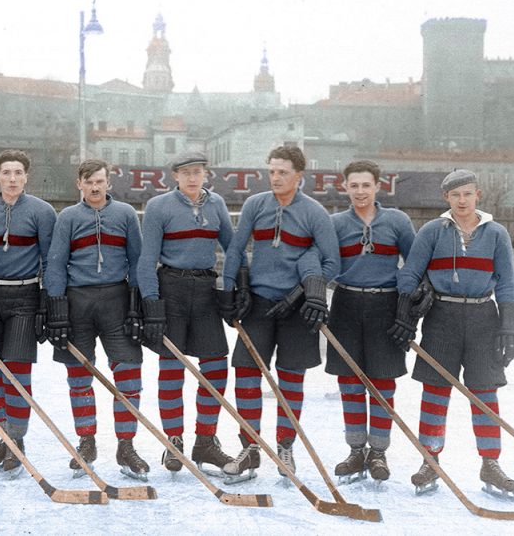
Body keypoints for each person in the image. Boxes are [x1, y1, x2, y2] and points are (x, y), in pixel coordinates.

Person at [391, 169, 514, 498]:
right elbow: (410, 274)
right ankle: (430, 460)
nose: (462, 200)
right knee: (435, 392)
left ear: (478, 195)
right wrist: (405, 314)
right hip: (442, 316)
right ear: (445, 198)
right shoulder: (433, 231)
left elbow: (507, 281)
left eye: (467, 194)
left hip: (482, 317)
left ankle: (490, 462)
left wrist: (509, 327)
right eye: (455, 195)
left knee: (484, 393)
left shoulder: (496, 233)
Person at [220, 145, 340, 481]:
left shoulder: (315, 213)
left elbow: (332, 263)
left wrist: (302, 293)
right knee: (245, 374)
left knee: (290, 380)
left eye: (283, 172)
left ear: (299, 176)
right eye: (271, 171)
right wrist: (232, 288)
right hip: (259, 304)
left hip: (297, 310)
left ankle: (285, 446)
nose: (275, 177)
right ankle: (250, 449)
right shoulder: (255, 205)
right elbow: (235, 249)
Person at [42, 159, 148, 479]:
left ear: (108, 183)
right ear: (80, 184)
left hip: (116, 300)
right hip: (78, 302)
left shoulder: (126, 214)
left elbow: (137, 260)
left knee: (128, 373)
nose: (95, 187)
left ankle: (126, 445)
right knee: (79, 374)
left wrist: (136, 304)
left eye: (100, 181)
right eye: (89, 182)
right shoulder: (69, 217)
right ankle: (86, 441)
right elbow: (56, 264)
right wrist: (57, 308)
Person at [136, 150, 235, 475]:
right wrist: (151, 302)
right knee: (172, 369)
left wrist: (234, 288)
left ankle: (205, 441)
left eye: (198, 171)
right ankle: (174, 442)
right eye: (185, 172)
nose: (192, 177)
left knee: (216, 367)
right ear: (174, 176)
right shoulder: (158, 207)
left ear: (206, 174)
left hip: (205, 291)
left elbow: (233, 251)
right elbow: (146, 259)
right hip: (171, 289)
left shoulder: (217, 204)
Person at [0, 150, 56, 472]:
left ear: (26, 176)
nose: (13, 178)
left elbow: (50, 262)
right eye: (7, 173)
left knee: (16, 372)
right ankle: (5, 438)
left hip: (25, 297)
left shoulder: (42, 212)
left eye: (19, 172)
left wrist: (47, 304)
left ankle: (16, 441)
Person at [326, 160, 415, 483]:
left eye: (366, 185)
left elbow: (414, 263)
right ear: (345, 187)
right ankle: (355, 450)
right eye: (354, 185)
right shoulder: (334, 223)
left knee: (382, 383)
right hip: (346, 303)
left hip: (385, 304)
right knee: (349, 383)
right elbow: (320, 260)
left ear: (378, 186)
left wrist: (407, 307)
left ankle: (378, 452)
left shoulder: (398, 221)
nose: (360, 191)